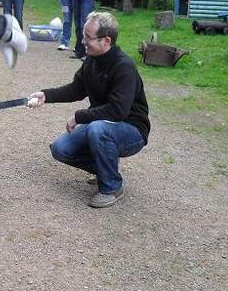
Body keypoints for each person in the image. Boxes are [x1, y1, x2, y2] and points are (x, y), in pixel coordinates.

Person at [28, 12, 150, 208]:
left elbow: (118, 111)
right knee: (61, 149)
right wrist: (46, 95)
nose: (82, 41)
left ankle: (112, 187)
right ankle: (107, 169)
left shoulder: (124, 67)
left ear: (106, 40)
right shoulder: (92, 61)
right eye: (83, 35)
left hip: (132, 129)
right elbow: (76, 89)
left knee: (97, 130)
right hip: (103, 125)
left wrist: (79, 117)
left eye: (88, 37)